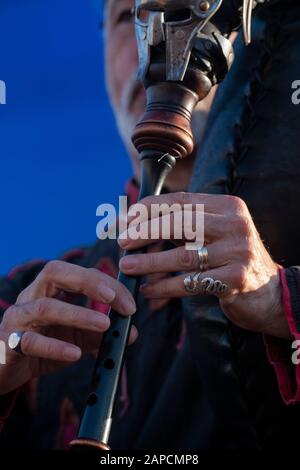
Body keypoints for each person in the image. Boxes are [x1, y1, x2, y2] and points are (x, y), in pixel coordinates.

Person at [1, 0, 300, 449]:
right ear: (102, 59)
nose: (155, 39)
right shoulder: (28, 296)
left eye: (192, 7)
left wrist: (282, 301)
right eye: (129, 16)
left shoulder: (287, 266)